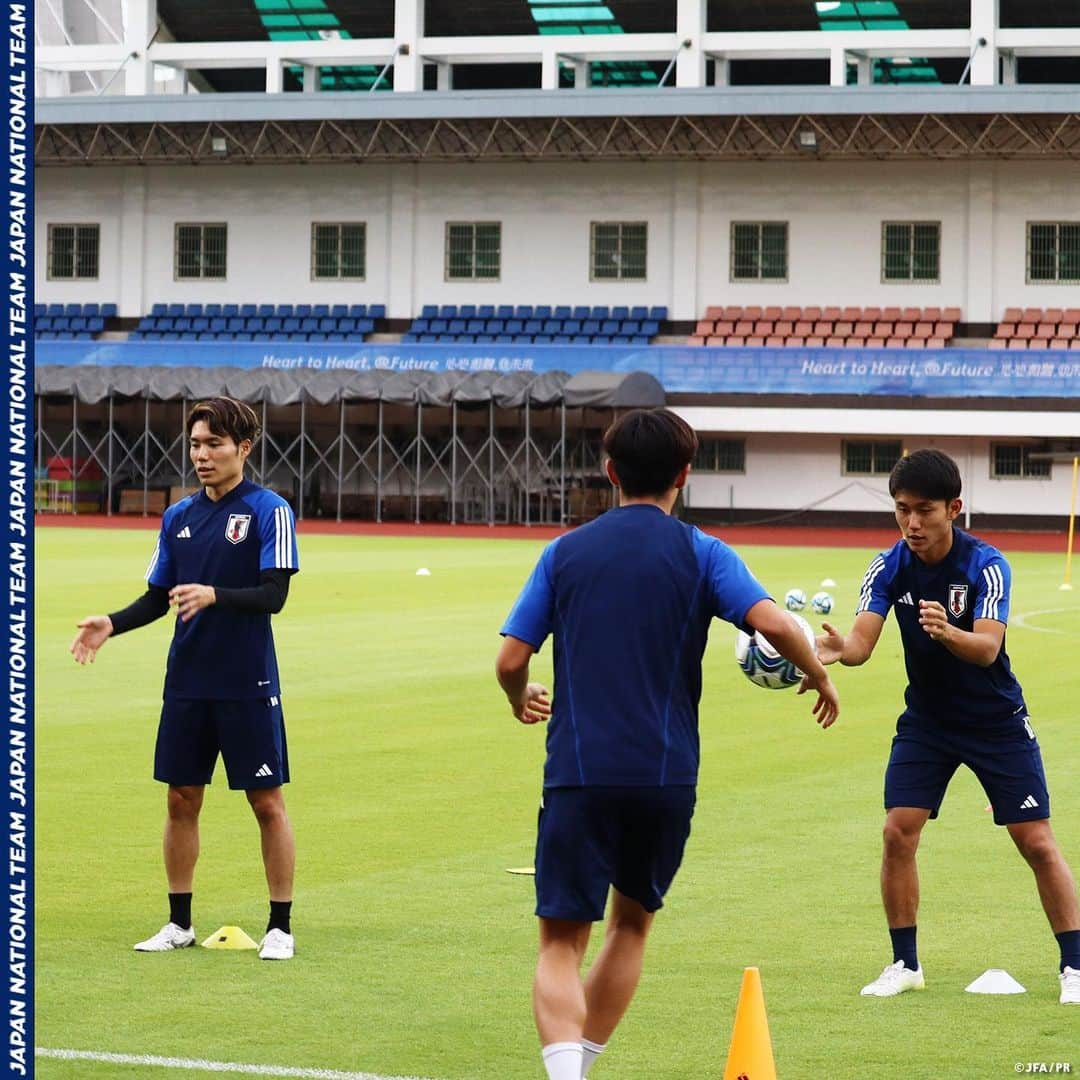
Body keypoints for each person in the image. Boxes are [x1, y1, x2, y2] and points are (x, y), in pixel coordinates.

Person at [495, 408, 840, 1079]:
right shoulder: (703, 552)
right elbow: (775, 624)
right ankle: (584, 1067)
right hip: (666, 776)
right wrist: (818, 671)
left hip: (580, 771)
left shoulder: (565, 553)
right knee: (630, 925)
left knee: (561, 943)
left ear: (609, 470)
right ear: (685, 474)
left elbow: (511, 659)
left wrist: (519, 696)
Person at [816, 448, 1080, 1004]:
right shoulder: (888, 565)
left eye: (925, 510)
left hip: (995, 722)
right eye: (902, 509)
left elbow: (987, 648)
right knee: (897, 831)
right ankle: (905, 963)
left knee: (1035, 842)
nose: (912, 523)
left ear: (953, 508)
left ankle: (1075, 967)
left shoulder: (985, 564)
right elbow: (863, 644)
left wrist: (945, 633)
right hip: (928, 722)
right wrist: (840, 650)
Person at [70, 396, 300, 961]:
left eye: (214, 444)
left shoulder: (270, 510)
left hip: (247, 682)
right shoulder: (178, 517)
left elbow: (275, 595)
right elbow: (158, 597)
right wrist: (112, 624)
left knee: (265, 802)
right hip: (188, 682)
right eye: (196, 444)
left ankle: (280, 926)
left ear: (242, 448)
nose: (202, 455)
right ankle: (178, 923)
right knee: (180, 799)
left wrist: (214, 594)